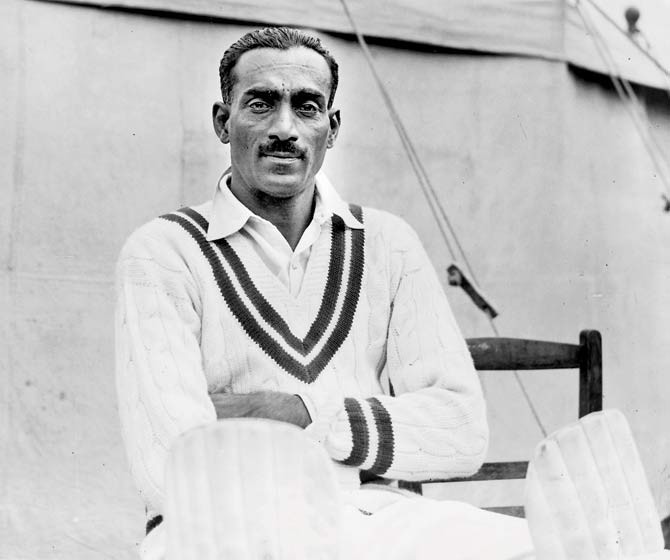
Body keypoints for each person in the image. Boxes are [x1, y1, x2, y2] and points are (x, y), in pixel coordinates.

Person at [115, 27, 534, 559]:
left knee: (550, 547)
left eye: (307, 107)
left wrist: (297, 411)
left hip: (373, 517)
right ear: (223, 121)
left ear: (331, 128)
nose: (284, 128)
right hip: (225, 527)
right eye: (260, 104)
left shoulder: (387, 243)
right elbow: (172, 461)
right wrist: (367, 429)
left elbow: (461, 432)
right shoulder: (164, 251)